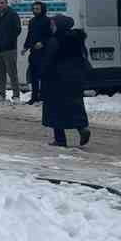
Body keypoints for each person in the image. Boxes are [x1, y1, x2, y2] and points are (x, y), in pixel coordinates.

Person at [41, 14, 91, 147]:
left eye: (53, 25)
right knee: (75, 105)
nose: (51, 27)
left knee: (55, 108)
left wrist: (43, 73)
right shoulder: (76, 39)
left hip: (57, 78)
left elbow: (48, 60)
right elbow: (84, 57)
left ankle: (60, 139)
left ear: (59, 25)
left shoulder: (55, 40)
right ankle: (82, 128)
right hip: (75, 78)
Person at [0, 0, 22, 103]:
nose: (0, 5)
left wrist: (7, 41)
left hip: (9, 49)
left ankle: (16, 95)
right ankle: (2, 94)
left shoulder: (13, 15)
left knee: (12, 73)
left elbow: (17, 30)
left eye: (2, 3)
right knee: (0, 73)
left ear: (6, 3)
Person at [23, 0, 52, 104]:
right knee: (33, 76)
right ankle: (34, 97)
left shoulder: (48, 21)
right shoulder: (32, 21)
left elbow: (50, 36)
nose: (35, 11)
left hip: (44, 53)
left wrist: (43, 43)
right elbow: (29, 36)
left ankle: (44, 97)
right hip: (33, 52)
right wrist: (25, 47)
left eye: (37, 9)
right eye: (34, 9)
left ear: (42, 9)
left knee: (44, 76)